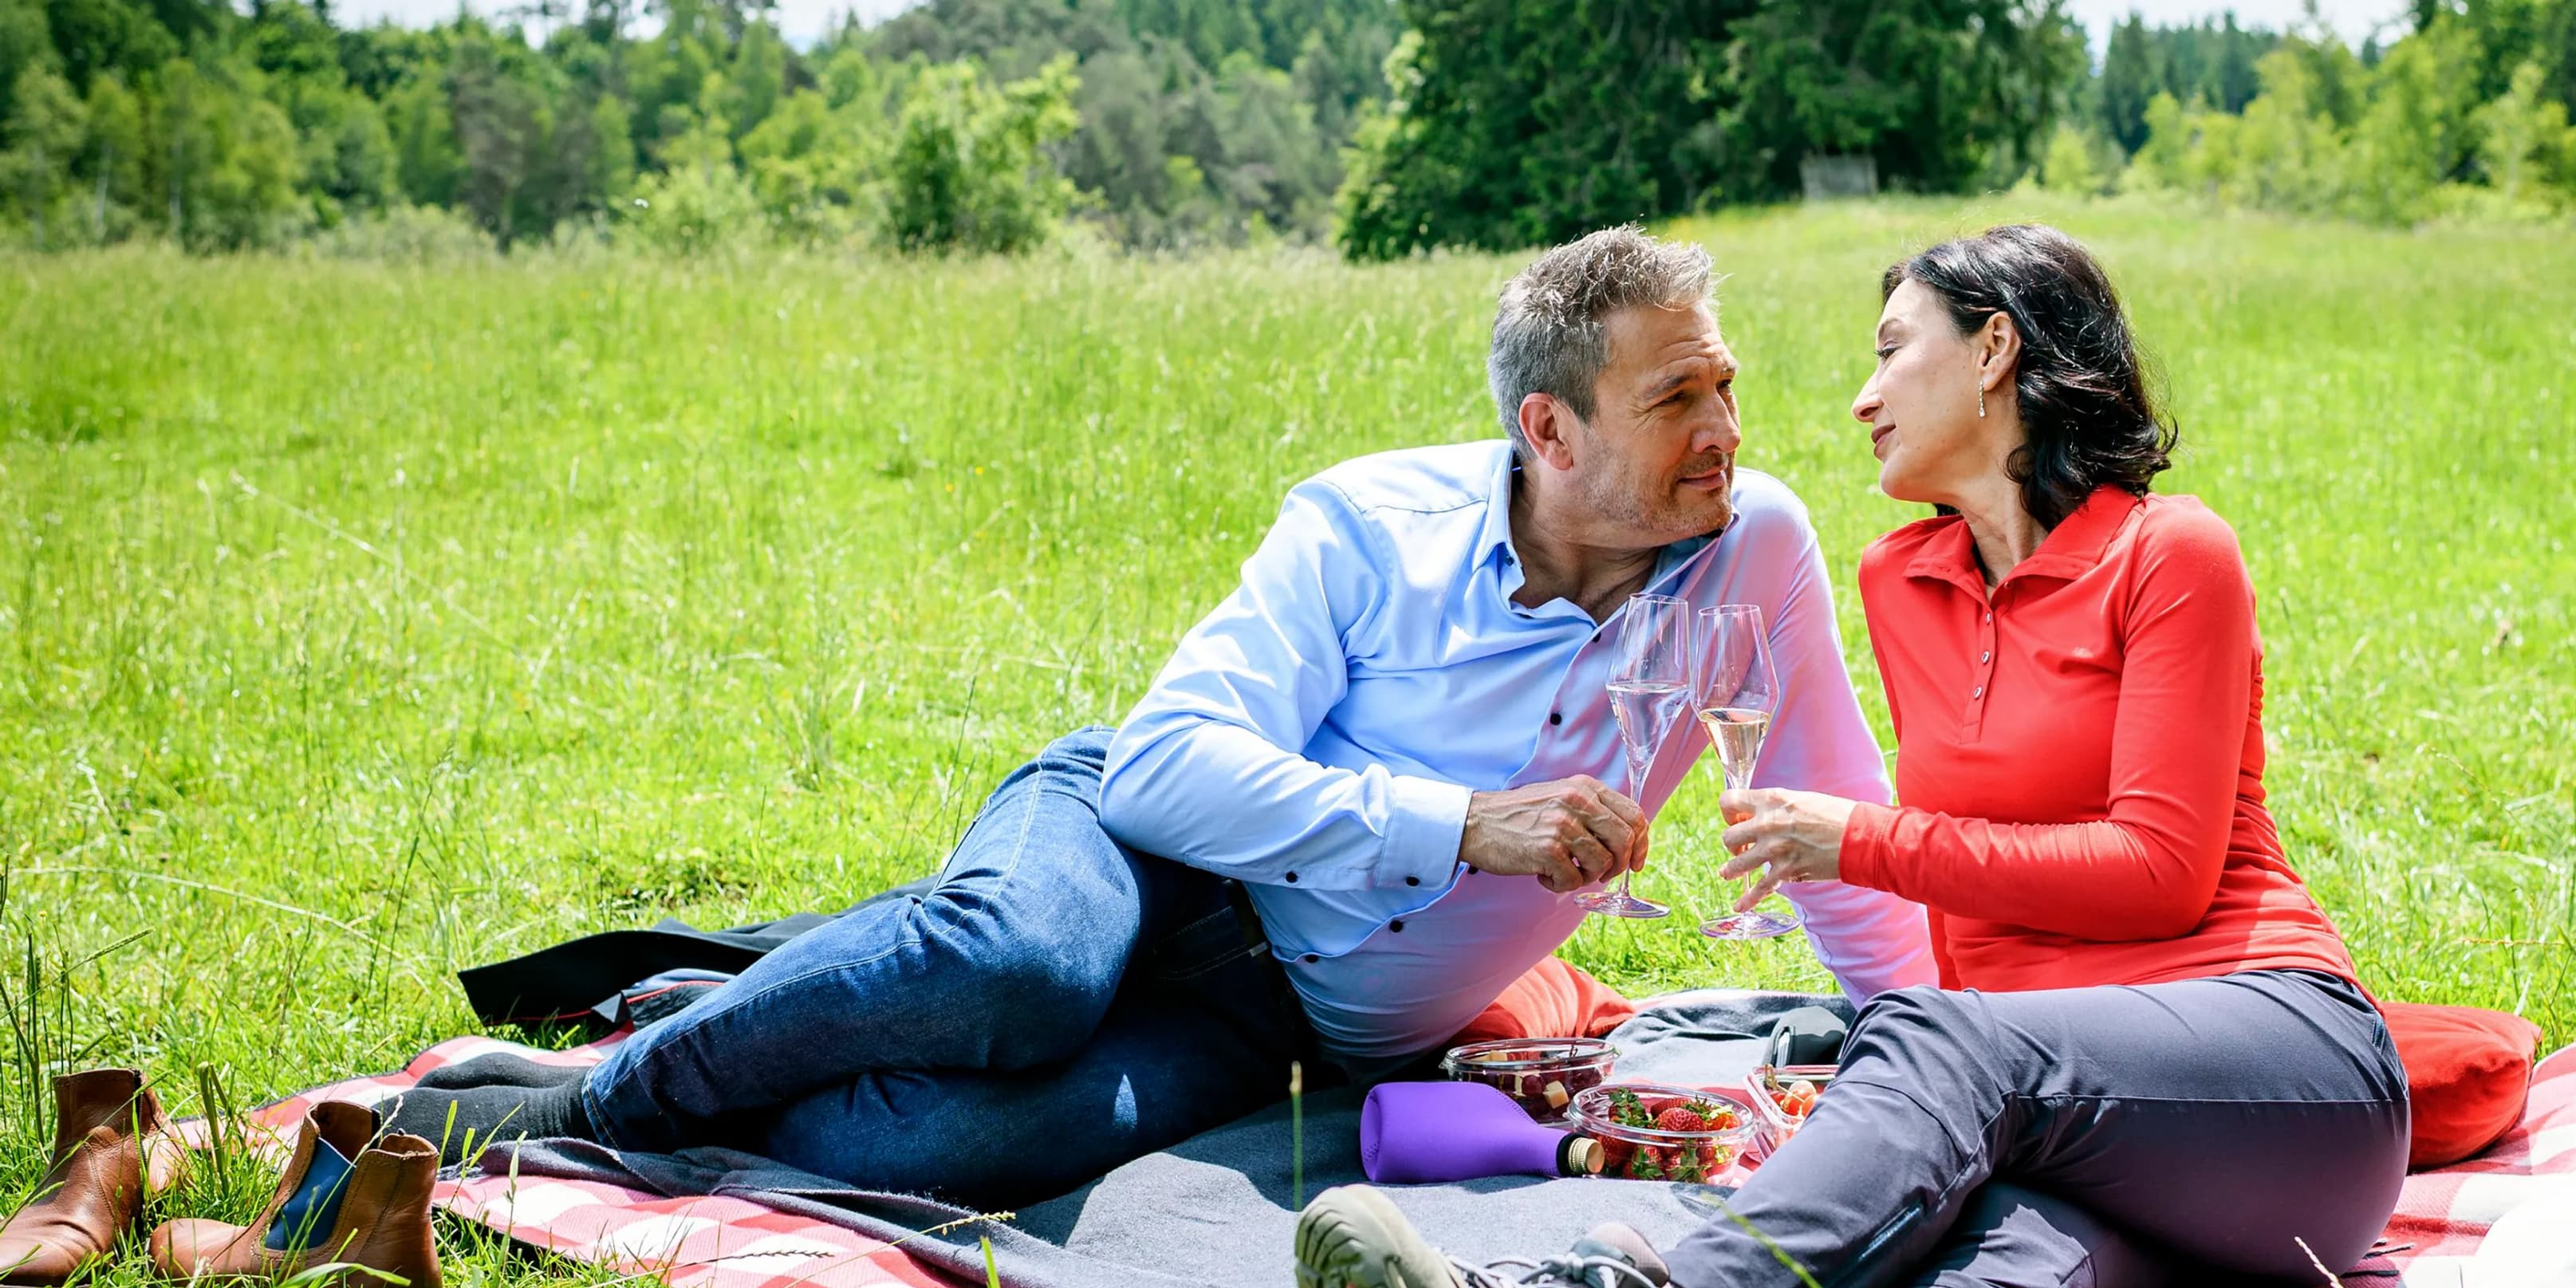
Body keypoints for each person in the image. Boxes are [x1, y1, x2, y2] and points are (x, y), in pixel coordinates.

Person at [1294, 224, 2410, 1288]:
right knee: (2011, 1257)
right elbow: (1960, 925)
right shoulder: (1905, 583)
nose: (1863, 396)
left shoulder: (2172, 556)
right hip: (2089, 1131)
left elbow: (2163, 871)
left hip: (2285, 1075)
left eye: (1894, 350)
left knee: (1961, 1051)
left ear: (1995, 349)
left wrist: (1867, 855)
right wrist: (1877, 1090)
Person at [369, 226, 1932, 1206]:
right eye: (1679, 401)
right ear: (1550, 427)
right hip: (1140, 845)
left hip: (1281, 1023)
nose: (1728, 429)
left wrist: (1926, 1057)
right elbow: (1174, 765)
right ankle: (603, 1101)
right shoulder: (1366, 527)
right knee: (1017, 969)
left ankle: (690, 1020)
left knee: (939, 1152)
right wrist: (1461, 827)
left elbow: (1838, 816)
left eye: (1726, 385)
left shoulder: (1758, 553)